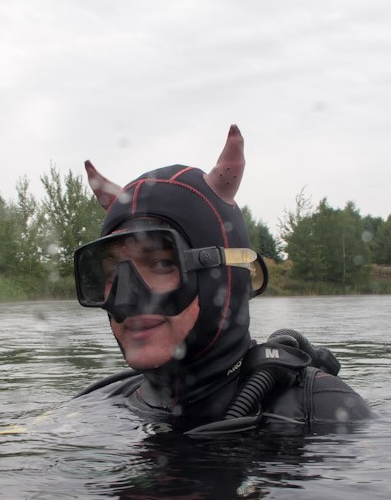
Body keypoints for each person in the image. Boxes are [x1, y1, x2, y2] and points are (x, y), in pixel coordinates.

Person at [72, 125, 372, 434]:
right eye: (112, 273)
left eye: (162, 263)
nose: (125, 299)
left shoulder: (321, 411)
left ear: (224, 276)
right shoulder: (100, 404)